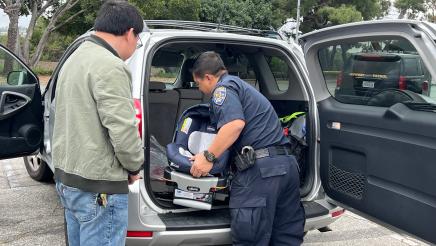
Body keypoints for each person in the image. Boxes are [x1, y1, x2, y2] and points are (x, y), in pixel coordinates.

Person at [52, 1, 144, 245]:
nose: (135, 46)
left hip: (69, 180)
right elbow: (123, 130)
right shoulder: (110, 65)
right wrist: (135, 166)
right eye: (138, 40)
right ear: (130, 33)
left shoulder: (74, 58)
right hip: (98, 187)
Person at [190, 51, 305, 245]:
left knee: (249, 238)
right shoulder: (240, 86)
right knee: (286, 238)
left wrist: (208, 157)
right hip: (287, 167)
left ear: (208, 77)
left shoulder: (222, 89)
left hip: (260, 173)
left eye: (199, 83)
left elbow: (234, 124)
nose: (200, 89)